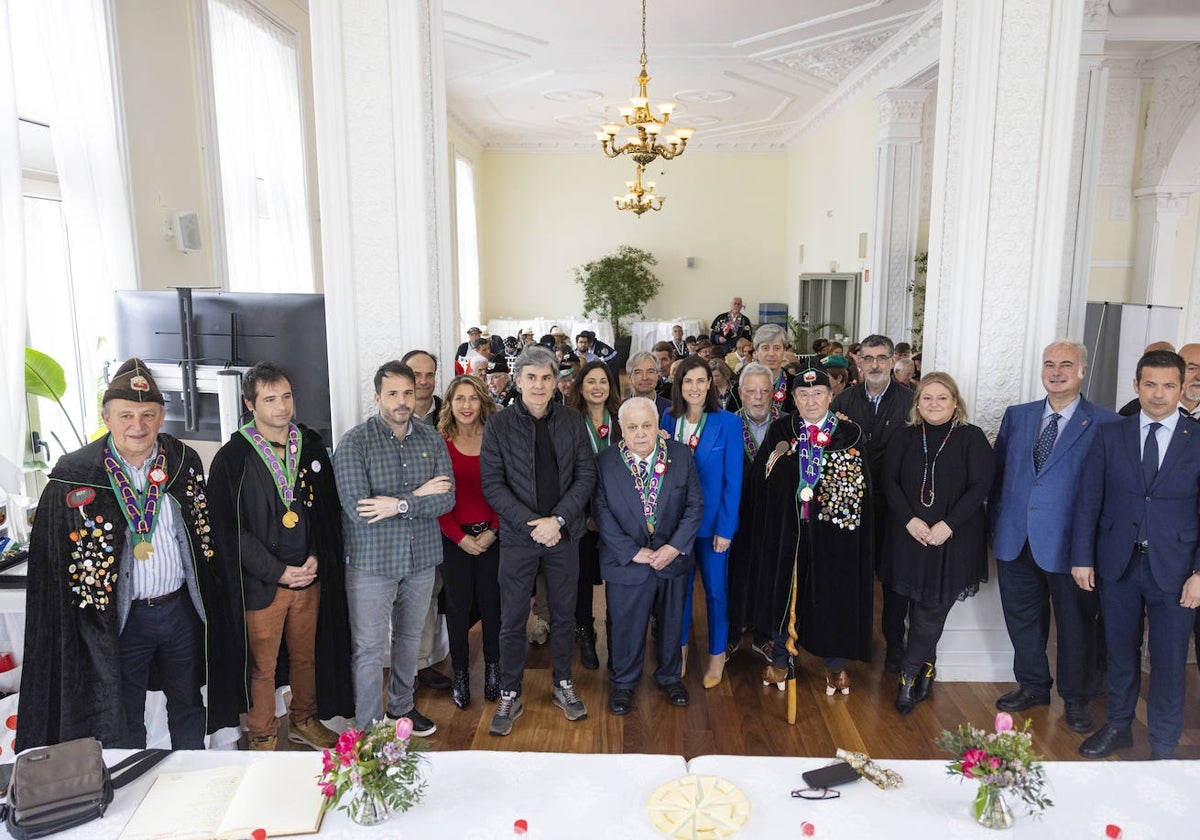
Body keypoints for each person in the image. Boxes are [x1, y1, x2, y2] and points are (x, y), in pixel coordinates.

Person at [18, 359, 245, 750]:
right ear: (107, 418)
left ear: (161, 417)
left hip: (180, 612)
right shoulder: (76, 474)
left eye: (147, 414)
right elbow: (53, 565)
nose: (137, 425)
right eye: (126, 415)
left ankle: (191, 777)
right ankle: (135, 781)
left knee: (189, 702)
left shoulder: (182, 462)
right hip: (118, 622)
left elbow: (203, 535)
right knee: (124, 711)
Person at [207, 362, 352, 751]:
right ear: (250, 403)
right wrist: (278, 572)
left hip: (308, 576)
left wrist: (317, 558)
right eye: (270, 399)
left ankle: (304, 720)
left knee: (307, 657)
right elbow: (229, 531)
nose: (282, 407)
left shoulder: (311, 446)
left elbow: (327, 511)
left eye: (286, 396)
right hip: (262, 584)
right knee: (262, 667)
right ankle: (262, 734)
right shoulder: (232, 458)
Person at [1073, 350, 1200, 761]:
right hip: (1117, 563)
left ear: (1182, 388)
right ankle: (1119, 726)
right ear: (1136, 386)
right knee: (1119, 653)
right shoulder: (1111, 434)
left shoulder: (1197, 440)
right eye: (1150, 384)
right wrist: (1082, 557)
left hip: (1178, 570)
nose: (1158, 394)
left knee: (1168, 661)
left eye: (1168, 386)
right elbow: (1089, 500)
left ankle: (1163, 746)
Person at [990, 341, 1114, 734]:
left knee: (1076, 626)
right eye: (1049, 364)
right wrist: (995, 529)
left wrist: (1092, 551)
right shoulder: (1018, 416)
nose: (1056, 371)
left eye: (1066, 364)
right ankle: (1032, 686)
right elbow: (999, 475)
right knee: (1022, 619)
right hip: (1015, 538)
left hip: (1072, 547)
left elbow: (1108, 494)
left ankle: (1075, 699)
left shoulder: (1106, 424)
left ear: (1082, 372)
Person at [735, 359, 873, 696]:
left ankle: (834, 665)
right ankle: (781, 658)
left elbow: (862, 490)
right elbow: (762, 481)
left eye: (818, 393)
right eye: (803, 394)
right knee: (783, 591)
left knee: (831, 592)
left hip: (834, 533)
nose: (810, 400)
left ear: (830, 396)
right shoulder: (782, 432)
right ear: (793, 399)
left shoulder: (849, 434)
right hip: (788, 530)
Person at [333, 360, 454, 736]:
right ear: (377, 397)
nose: (402, 401)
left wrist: (397, 504)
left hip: (420, 560)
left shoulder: (431, 439)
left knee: (409, 640)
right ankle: (370, 728)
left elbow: (446, 499)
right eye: (393, 394)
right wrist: (418, 495)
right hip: (371, 564)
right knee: (369, 649)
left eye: (407, 392)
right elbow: (358, 509)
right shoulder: (355, 442)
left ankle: (402, 709)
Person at [480, 346, 597, 736]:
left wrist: (559, 520)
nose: (539, 385)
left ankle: (563, 683)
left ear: (556, 382)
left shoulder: (572, 421)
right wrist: (533, 523)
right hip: (518, 536)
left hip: (564, 535)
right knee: (513, 619)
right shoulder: (498, 426)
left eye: (546, 378)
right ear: (518, 381)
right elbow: (492, 484)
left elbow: (585, 477)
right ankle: (510, 691)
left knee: (564, 615)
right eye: (531, 377)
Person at [883, 373, 994, 713]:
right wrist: (910, 520)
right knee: (915, 608)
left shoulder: (971, 438)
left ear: (955, 402)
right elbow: (889, 482)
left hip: (953, 540)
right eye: (927, 398)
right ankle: (927, 666)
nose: (934, 404)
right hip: (909, 537)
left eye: (941, 398)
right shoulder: (903, 437)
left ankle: (908, 676)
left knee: (931, 610)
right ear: (917, 403)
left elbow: (980, 487)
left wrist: (947, 525)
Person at [594, 397, 703, 715]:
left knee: (671, 622)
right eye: (632, 427)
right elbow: (600, 512)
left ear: (658, 427)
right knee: (625, 625)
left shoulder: (681, 456)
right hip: (627, 562)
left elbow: (695, 505)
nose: (640, 433)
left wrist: (673, 547)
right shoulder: (605, 461)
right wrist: (631, 551)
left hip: (672, 558)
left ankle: (670, 677)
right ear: (621, 430)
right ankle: (623, 684)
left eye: (646, 425)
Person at [830, 334, 914, 672]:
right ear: (859, 361)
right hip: (851, 506)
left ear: (893, 360)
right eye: (869, 358)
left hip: (896, 508)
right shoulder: (842, 402)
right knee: (852, 577)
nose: (875, 364)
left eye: (882, 357)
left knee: (894, 581)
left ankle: (894, 646)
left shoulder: (911, 402)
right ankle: (852, 640)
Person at [660, 355, 744, 688]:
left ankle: (716, 657)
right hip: (675, 527)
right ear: (678, 386)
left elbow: (733, 481)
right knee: (677, 593)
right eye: (687, 381)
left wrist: (725, 528)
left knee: (716, 593)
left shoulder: (728, 423)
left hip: (713, 528)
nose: (694, 387)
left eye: (700, 380)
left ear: (710, 384)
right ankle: (678, 653)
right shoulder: (667, 419)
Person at [436, 375, 502, 709]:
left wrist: (493, 530)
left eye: (473, 398)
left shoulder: (496, 437)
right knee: (458, 609)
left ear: (483, 401)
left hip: (493, 535)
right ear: (449, 403)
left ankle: (493, 669)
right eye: (459, 399)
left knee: (493, 605)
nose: (466, 406)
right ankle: (460, 673)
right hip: (454, 538)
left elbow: (507, 489)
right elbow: (437, 498)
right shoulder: (440, 442)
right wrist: (460, 538)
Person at [568, 361, 624, 669]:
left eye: (603, 381)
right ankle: (585, 633)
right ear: (580, 386)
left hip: (618, 513)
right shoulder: (570, 421)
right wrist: (586, 513)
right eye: (591, 381)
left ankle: (617, 633)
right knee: (582, 578)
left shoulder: (621, 418)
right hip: (582, 514)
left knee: (616, 575)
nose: (598, 387)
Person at [403, 349, 453, 692]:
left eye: (429, 374)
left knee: (432, 596)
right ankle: (407, 669)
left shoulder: (449, 415)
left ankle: (425, 663)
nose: (423, 381)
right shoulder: (391, 416)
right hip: (404, 525)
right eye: (415, 375)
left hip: (446, 523)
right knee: (406, 600)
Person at [751, 324, 793, 414]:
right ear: (757, 352)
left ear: (784, 351)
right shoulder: (742, 385)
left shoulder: (795, 385)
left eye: (777, 348)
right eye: (765, 348)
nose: (771, 353)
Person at [626, 351, 673, 416]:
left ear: (658, 376)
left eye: (650, 372)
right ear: (629, 377)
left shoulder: (672, 409)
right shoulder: (619, 409)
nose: (645, 378)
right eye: (638, 372)